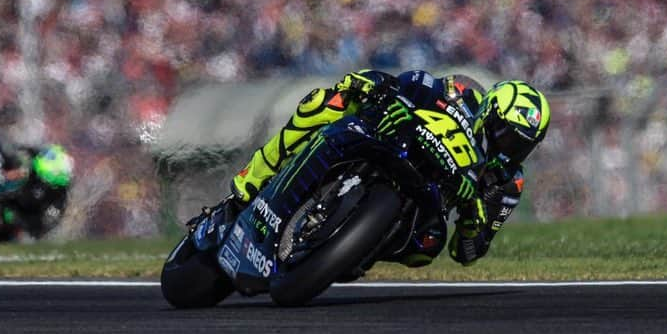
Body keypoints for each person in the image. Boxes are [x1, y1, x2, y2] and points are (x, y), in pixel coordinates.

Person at [229, 69, 550, 267]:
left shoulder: (507, 183)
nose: (509, 149)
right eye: (505, 136)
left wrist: (470, 224)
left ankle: (355, 252)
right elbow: (417, 82)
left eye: (521, 146)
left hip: (428, 197)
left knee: (427, 247)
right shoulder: (464, 94)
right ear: (490, 113)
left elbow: (467, 253)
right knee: (326, 102)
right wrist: (385, 91)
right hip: (401, 141)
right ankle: (256, 173)